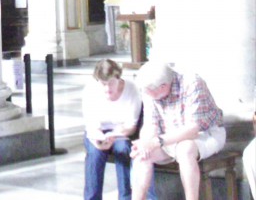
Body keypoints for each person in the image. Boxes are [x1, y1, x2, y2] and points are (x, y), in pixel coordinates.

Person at [129, 61, 226, 200]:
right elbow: (151, 124)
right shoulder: (148, 89)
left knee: (184, 149)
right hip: (168, 137)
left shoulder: (192, 83)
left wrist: (157, 141)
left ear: (163, 87)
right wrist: (145, 143)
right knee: (142, 155)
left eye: (147, 91)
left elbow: (193, 129)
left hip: (205, 134)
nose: (144, 93)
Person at [82, 60, 140, 200]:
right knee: (95, 153)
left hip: (122, 133)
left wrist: (115, 135)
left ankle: (125, 196)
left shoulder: (131, 89)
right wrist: (99, 140)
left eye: (111, 83)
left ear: (118, 78)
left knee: (123, 149)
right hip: (98, 132)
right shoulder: (90, 90)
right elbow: (91, 125)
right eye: (103, 84)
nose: (107, 88)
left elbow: (131, 126)